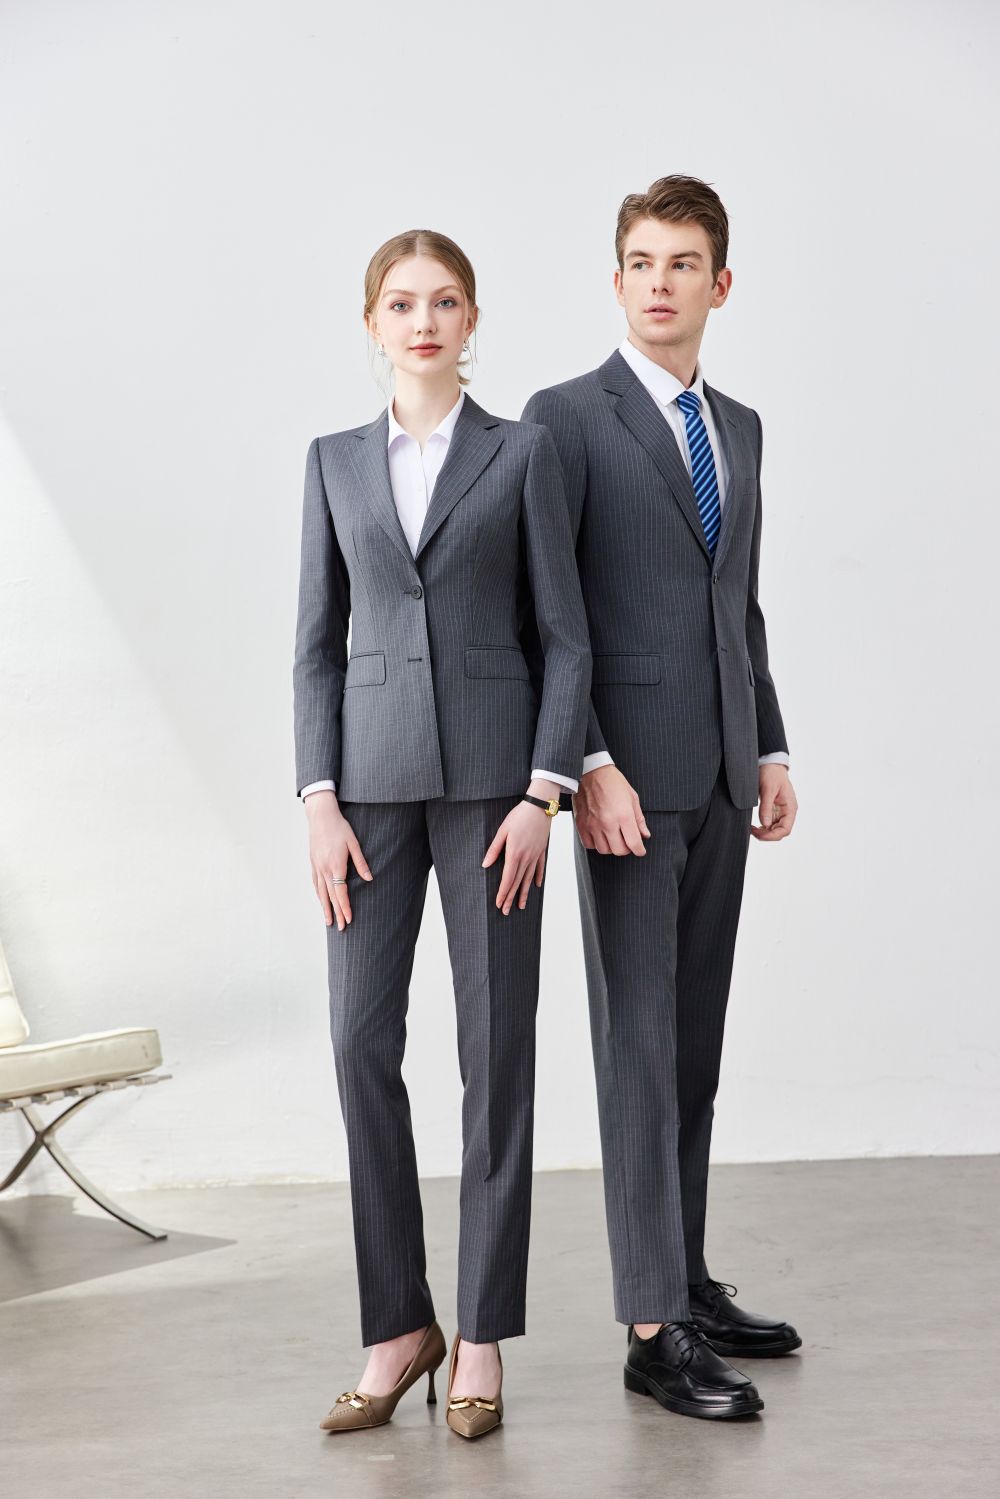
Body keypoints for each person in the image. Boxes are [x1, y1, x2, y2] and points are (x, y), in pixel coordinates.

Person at [293, 229, 591, 1439]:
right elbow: (315, 646)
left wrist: (542, 793)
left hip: (492, 796)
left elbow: (564, 637)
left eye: (445, 301)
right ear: (372, 321)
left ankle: (479, 1332)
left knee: (495, 1053)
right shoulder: (330, 461)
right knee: (358, 1040)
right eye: (402, 302)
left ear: (472, 320)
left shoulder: (522, 453)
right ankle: (396, 1324)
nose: (424, 321)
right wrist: (317, 797)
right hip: (364, 794)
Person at [522, 175, 800, 1421]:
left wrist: (771, 744)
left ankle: (683, 1276)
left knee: (691, 1045)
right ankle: (649, 1327)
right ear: (616, 277)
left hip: (722, 771)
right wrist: (585, 762)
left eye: (682, 263)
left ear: (718, 284)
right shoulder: (562, 419)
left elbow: (737, 602)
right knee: (636, 1046)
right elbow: (548, 612)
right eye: (640, 261)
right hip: (623, 782)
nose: (659, 282)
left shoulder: (737, 425)